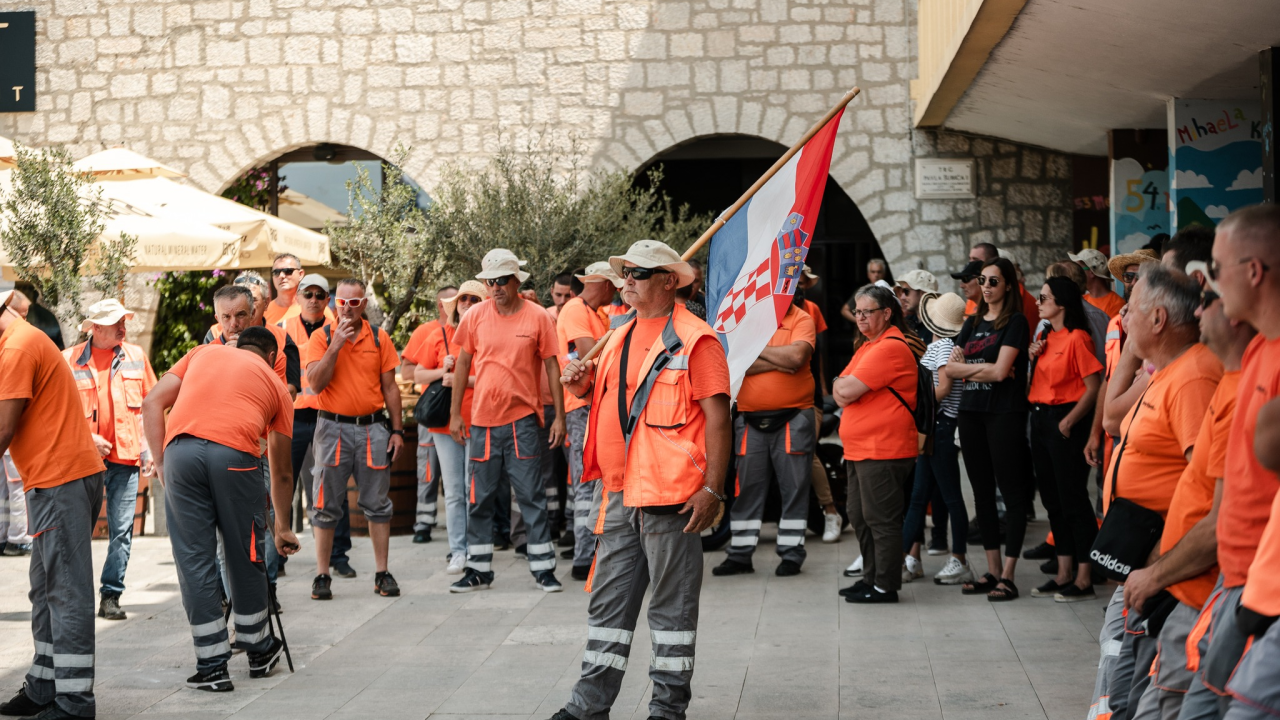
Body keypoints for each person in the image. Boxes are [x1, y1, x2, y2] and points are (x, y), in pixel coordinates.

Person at [549, 239, 731, 720]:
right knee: (608, 609)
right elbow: (614, 399)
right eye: (625, 271)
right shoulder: (619, 332)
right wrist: (579, 383)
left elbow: (718, 419)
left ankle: (667, 711)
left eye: (640, 272)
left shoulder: (698, 339)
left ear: (670, 281)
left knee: (670, 613)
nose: (627, 279)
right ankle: (588, 707)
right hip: (617, 490)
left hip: (671, 496)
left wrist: (712, 488)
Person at [1087, 264, 1221, 720]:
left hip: (1168, 575)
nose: (1121, 318)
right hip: (1148, 569)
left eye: (1131, 310)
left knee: (1143, 696)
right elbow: (1111, 419)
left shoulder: (1193, 378)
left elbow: (1204, 487)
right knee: (1123, 691)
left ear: (1159, 319)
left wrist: (1159, 568)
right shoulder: (1169, 370)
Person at [1118, 275, 1253, 720]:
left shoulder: (1199, 375)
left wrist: (1157, 570)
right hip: (1177, 582)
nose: (1197, 311)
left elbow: (1222, 513)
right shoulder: (1207, 372)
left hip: (1194, 588)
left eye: (1210, 297)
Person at [140, 327, 296, 692]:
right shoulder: (277, 387)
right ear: (273, 358)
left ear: (237, 345)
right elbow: (284, 472)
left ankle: (211, 665)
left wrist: (162, 464)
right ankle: (258, 650)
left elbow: (151, 402)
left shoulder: (201, 353)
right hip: (235, 456)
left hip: (180, 453)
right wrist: (282, 528)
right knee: (245, 551)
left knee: (194, 559)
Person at [1179, 205, 1280, 720]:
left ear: (1254, 271)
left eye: (1214, 271)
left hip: (1261, 590)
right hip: (1241, 580)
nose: (1208, 288)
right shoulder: (1260, 347)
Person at [0, 288, 105, 720]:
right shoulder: (17, 341)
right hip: (54, 478)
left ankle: (75, 701)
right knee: (45, 590)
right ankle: (45, 684)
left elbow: (3, 428)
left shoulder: (18, 349)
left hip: (60, 478)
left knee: (65, 591)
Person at [448, 250, 566, 594]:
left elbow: (553, 366)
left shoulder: (538, 317)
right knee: (479, 498)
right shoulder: (475, 317)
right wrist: (456, 413)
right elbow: (461, 365)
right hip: (483, 422)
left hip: (524, 422)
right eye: (490, 281)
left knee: (531, 495)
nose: (495, 287)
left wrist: (558, 415)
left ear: (516, 281)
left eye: (501, 280)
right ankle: (478, 569)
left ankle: (544, 569)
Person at [305, 278, 405, 600]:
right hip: (331, 427)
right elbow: (315, 384)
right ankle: (322, 575)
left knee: (377, 503)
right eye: (342, 303)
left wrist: (398, 431)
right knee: (325, 505)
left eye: (354, 303)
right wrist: (335, 345)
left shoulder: (379, 338)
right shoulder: (321, 337)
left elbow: (390, 387)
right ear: (334, 303)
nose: (347, 309)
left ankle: (382, 572)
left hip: (372, 428)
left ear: (363, 304)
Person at [62, 299, 158, 622]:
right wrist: (87, 438)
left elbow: (151, 405)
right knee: (78, 531)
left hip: (126, 458)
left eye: (124, 321)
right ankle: (75, 596)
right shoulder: (68, 360)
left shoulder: (135, 357)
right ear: (97, 328)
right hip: (82, 458)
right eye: (117, 322)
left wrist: (151, 452)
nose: (123, 327)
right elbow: (59, 412)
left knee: (121, 530)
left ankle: (110, 595)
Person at [945, 257, 1031, 601]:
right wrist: (986, 370)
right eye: (982, 281)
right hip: (971, 412)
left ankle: (1009, 574)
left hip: (1004, 412)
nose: (986, 287)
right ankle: (992, 569)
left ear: (1008, 285)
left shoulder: (1017, 322)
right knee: (980, 493)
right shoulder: (974, 322)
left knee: (1011, 495)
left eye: (994, 281)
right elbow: (951, 369)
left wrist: (972, 370)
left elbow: (999, 374)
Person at [714, 291, 816, 578]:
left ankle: (791, 554)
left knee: (794, 489)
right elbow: (734, 363)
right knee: (746, 489)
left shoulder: (802, 318)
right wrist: (780, 362)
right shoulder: (747, 321)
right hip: (749, 420)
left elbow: (797, 356)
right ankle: (740, 555)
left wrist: (755, 353)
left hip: (794, 417)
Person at [834, 284, 918, 604]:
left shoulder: (890, 347)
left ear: (886, 313)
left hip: (884, 448)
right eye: (856, 311)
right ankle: (871, 577)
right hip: (862, 448)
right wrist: (845, 386)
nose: (860, 317)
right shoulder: (869, 345)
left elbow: (846, 389)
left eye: (867, 312)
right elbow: (840, 385)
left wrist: (846, 386)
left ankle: (885, 585)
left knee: (881, 520)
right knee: (859, 515)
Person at [1025, 277, 1103, 602]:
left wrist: (1070, 422)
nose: (1039, 302)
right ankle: (1063, 572)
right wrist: (1033, 356)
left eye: (1044, 297)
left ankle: (1084, 577)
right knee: (1053, 500)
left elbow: (1094, 386)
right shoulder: (1046, 335)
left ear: (1061, 303)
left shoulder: (1078, 337)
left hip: (1064, 418)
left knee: (1073, 500)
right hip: (1041, 418)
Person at [276, 275, 352, 579]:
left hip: (325, 415)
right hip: (291, 417)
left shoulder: (338, 326)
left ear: (327, 299)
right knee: (283, 486)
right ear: (297, 297)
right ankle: (277, 555)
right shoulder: (282, 328)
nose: (314, 299)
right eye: (308, 293)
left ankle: (339, 555)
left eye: (321, 295)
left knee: (333, 487)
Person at [409, 282, 483, 575]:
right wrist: (444, 371)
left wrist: (463, 379)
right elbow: (417, 373)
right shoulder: (441, 335)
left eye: (473, 298)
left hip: (481, 420)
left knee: (474, 489)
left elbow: (497, 375)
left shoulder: (488, 333)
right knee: (454, 491)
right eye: (462, 298)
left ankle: (478, 549)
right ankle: (458, 551)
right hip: (444, 426)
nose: (466, 302)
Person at [901, 292, 974, 586]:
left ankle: (958, 560)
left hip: (939, 426)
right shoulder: (942, 346)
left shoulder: (942, 347)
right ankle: (909, 558)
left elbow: (943, 389)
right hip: (936, 427)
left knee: (948, 497)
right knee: (921, 497)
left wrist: (916, 401)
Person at [557, 262, 622, 580]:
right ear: (604, 284)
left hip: (596, 404)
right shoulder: (574, 309)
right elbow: (588, 353)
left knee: (595, 483)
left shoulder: (598, 314)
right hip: (580, 405)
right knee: (584, 484)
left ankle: (592, 553)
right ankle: (583, 558)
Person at [400, 285, 458, 545]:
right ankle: (424, 521)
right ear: (439, 305)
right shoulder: (426, 332)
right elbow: (409, 371)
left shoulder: (470, 329)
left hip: (462, 408)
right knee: (427, 465)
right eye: (448, 301)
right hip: (433, 408)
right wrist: (440, 373)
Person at [798, 266, 842, 542]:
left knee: (806, 452)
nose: (798, 286)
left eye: (801, 282)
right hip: (776, 397)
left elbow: (818, 352)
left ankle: (830, 511)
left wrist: (823, 386)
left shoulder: (812, 309)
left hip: (807, 394)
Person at [1069, 248, 1126, 318]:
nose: (1075, 273)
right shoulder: (1082, 300)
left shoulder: (1117, 304)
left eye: (1078, 269)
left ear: (1092, 273)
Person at [0, 450, 29, 556]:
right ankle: (19, 540)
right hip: (12, 445)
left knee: (3, 492)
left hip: (4, 444)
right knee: (19, 489)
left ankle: (2, 539)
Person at [265, 253, 306, 325]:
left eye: (288, 271)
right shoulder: (264, 312)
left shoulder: (316, 309)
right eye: (276, 272)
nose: (281, 276)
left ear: (300, 274)